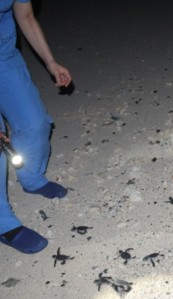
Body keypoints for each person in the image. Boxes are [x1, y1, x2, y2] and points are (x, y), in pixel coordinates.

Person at [0, 0, 72, 254]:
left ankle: (31, 178)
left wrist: (50, 62)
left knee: (35, 123)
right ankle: (3, 223)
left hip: (3, 56)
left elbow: (26, 15)